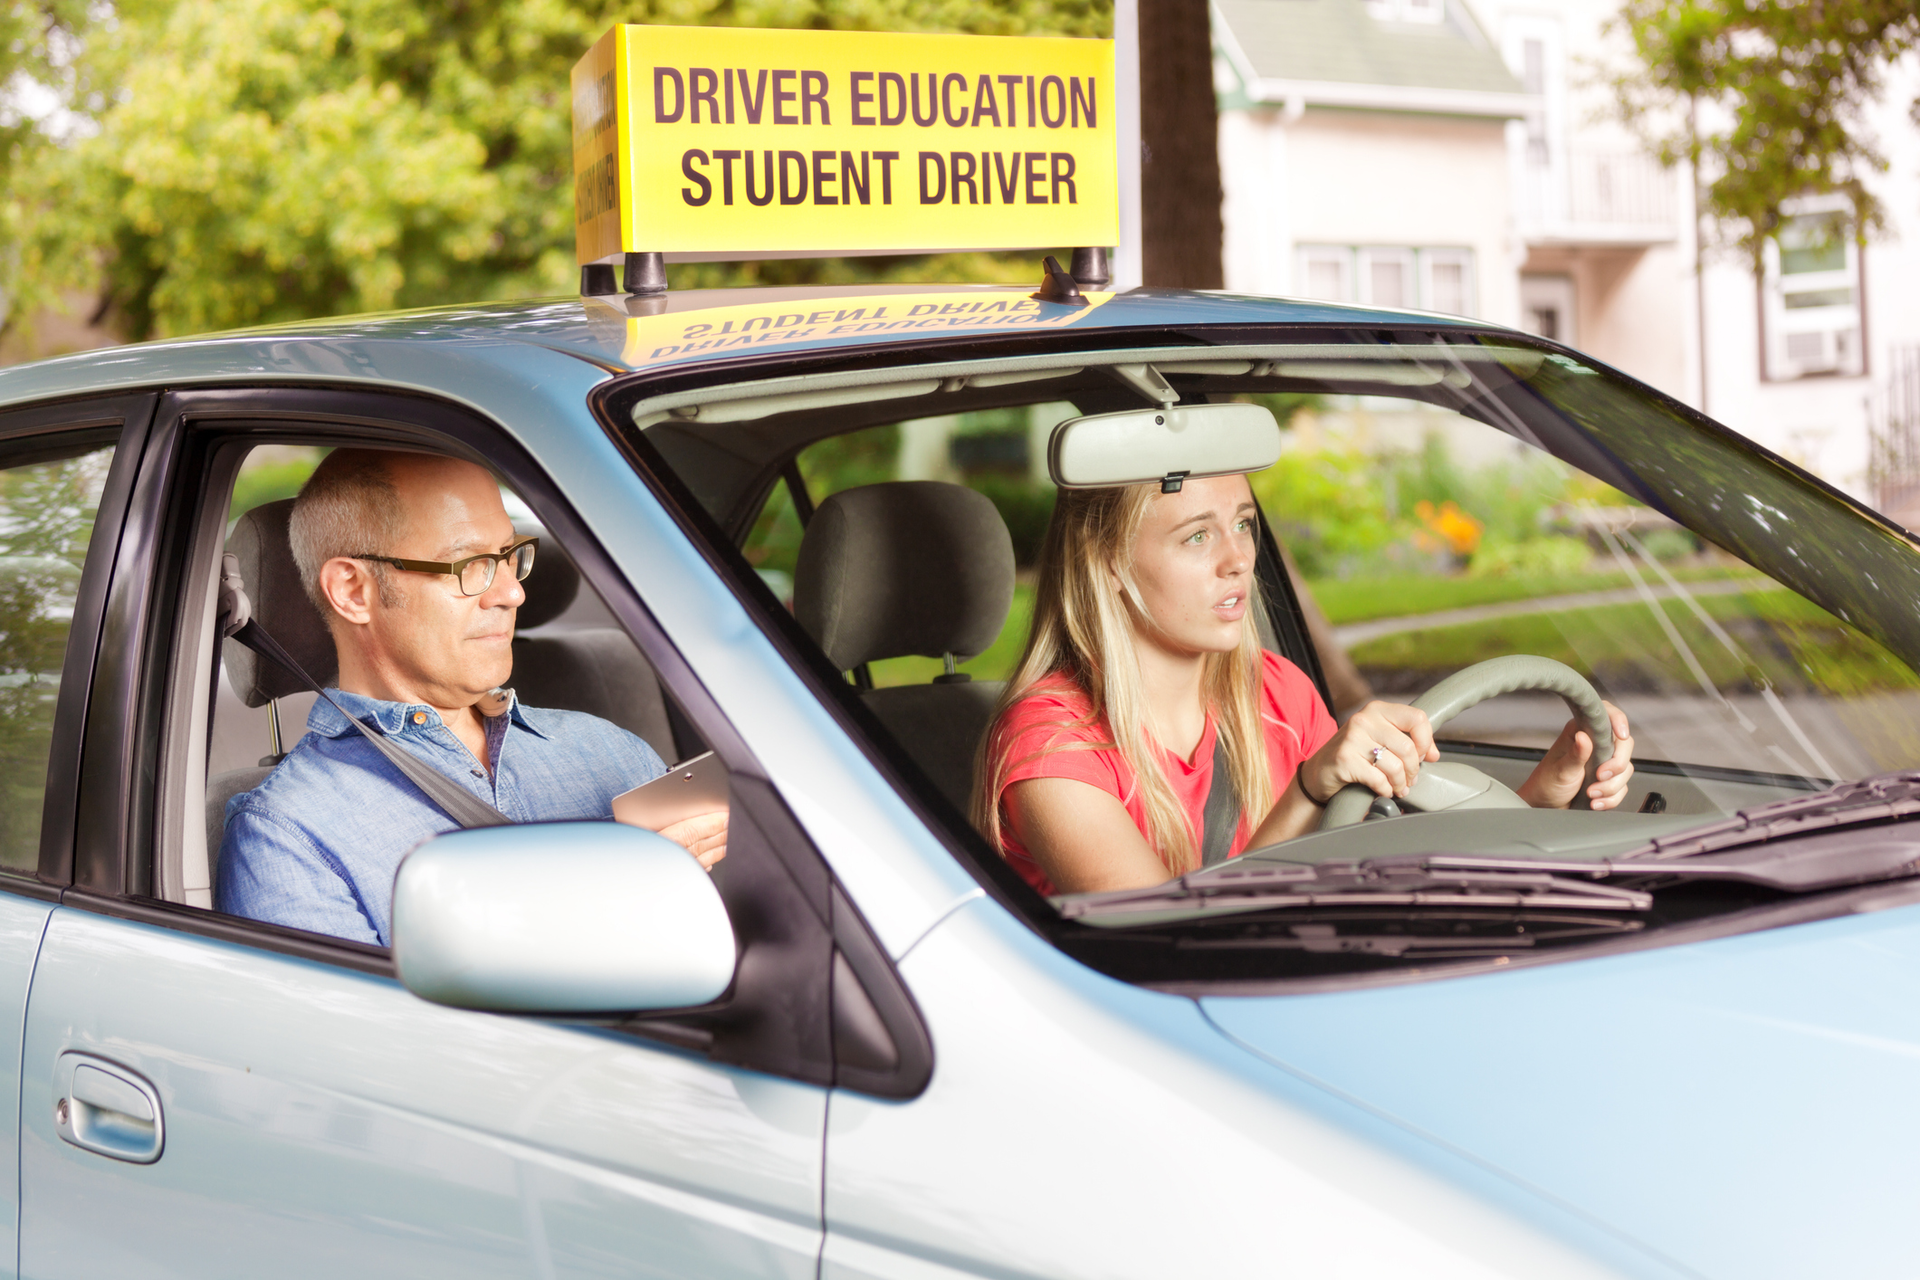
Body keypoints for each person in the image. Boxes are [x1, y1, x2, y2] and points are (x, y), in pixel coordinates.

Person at [973, 474, 1635, 896]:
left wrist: (1540, 798)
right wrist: (1309, 788)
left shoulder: (1277, 692)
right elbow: (1169, 949)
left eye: (1242, 524)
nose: (1238, 560)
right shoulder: (1051, 747)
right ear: (1109, 563)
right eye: (1197, 536)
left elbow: (1387, 871)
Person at [218, 449, 726, 944]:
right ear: (353, 590)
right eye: (471, 564)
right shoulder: (289, 834)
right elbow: (364, 1031)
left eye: (509, 556)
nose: (511, 592)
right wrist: (609, 908)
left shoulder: (611, 751)